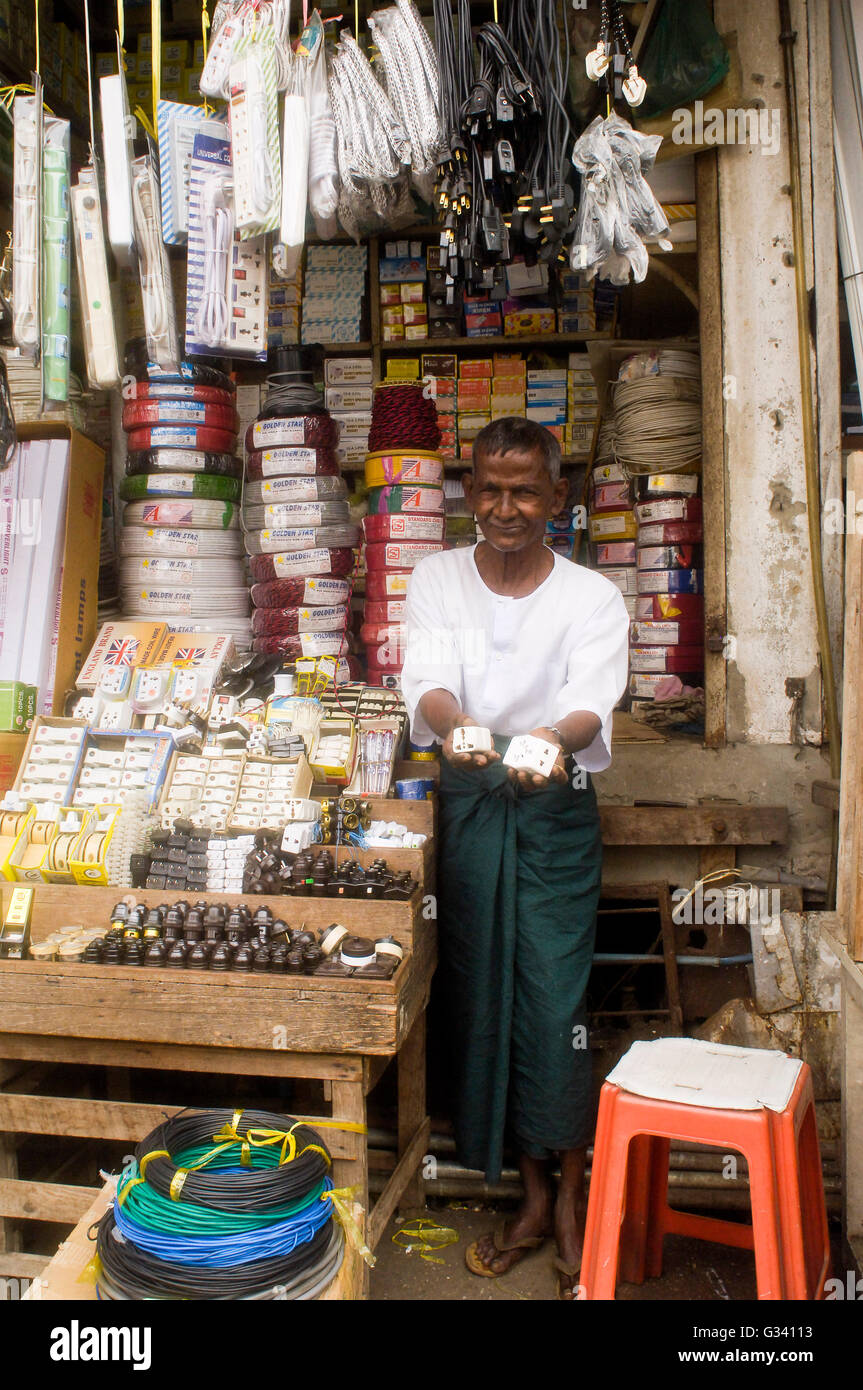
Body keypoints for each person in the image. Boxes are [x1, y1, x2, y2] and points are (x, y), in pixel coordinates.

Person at [400, 416, 630, 1299]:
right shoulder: (436, 577)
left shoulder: (589, 598)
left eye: (523, 490)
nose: (505, 507)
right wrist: (453, 722)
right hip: (469, 808)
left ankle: (572, 1197)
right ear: (467, 493)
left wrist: (545, 737)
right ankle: (527, 1195)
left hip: (551, 810)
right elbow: (426, 678)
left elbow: (588, 702)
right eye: (489, 490)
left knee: (553, 999)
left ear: (556, 499)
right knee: (482, 989)